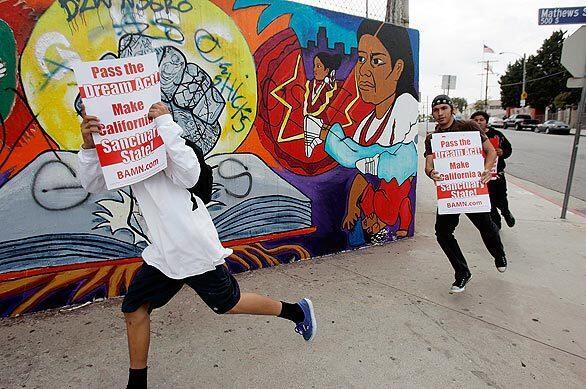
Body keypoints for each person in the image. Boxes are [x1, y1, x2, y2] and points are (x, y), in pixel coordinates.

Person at [77, 102, 317, 389]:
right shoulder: (125, 154)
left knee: (228, 304)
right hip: (164, 253)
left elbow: (190, 174)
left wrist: (166, 125)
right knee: (134, 309)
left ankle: (297, 311)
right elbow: (92, 183)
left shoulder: (169, 143)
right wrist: (90, 147)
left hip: (192, 247)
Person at [306, 20, 419, 244]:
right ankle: (322, 133)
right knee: (351, 153)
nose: (364, 71)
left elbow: (383, 158)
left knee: (351, 154)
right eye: (361, 59)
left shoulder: (405, 105)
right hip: (373, 165)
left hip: (392, 168)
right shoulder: (368, 122)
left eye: (376, 61)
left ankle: (322, 133)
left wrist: (331, 139)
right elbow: (360, 165)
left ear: (397, 69)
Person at [424, 95, 508, 293]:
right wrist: (431, 173)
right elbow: (428, 165)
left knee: (486, 226)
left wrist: (487, 169)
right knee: (443, 233)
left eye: (444, 108)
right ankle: (462, 273)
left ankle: (499, 254)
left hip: (472, 189)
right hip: (450, 193)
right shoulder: (432, 138)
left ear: (452, 110)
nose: (440, 113)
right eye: (436, 110)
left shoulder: (469, 127)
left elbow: (491, 151)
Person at [470, 111, 515, 229]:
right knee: (489, 201)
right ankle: (496, 223)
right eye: (476, 120)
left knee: (501, 197)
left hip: (497, 174)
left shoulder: (497, 135)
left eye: (481, 120)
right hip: (481, 176)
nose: (478, 122)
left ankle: (506, 213)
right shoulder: (469, 136)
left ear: (486, 121)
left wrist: (502, 152)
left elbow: (508, 149)